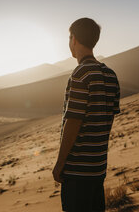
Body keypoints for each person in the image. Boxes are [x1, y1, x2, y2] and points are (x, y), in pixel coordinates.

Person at [52, 18, 121, 212]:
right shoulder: (110, 75)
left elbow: (73, 121)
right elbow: (109, 120)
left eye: (69, 37)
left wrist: (60, 164)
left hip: (76, 172)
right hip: (98, 169)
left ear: (73, 39)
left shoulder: (80, 74)